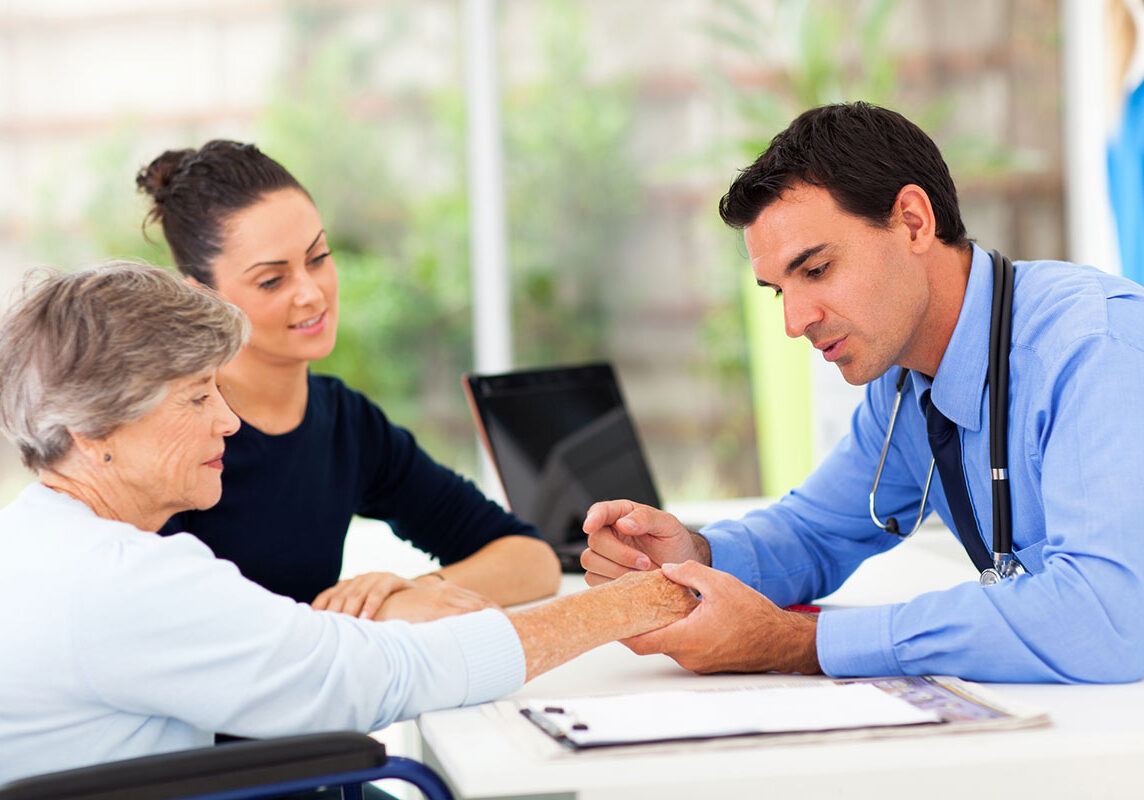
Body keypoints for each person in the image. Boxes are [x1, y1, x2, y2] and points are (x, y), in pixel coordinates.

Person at [0, 263, 696, 783]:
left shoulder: (41, 541)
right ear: (93, 431)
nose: (229, 420)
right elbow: (374, 680)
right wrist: (646, 597)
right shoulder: (124, 581)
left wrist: (400, 596)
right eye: (195, 398)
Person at [581, 102, 1144, 684]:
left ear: (913, 222)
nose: (795, 321)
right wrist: (695, 557)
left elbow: (1106, 615)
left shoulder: (1095, 347)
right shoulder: (904, 382)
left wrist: (801, 644)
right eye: (779, 291)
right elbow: (818, 531)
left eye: (817, 269)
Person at [134, 141, 560, 622]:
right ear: (202, 297)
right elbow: (160, 626)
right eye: (273, 280)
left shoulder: (345, 422)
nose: (312, 294)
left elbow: (532, 560)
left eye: (318, 257)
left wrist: (410, 591)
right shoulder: (171, 433)